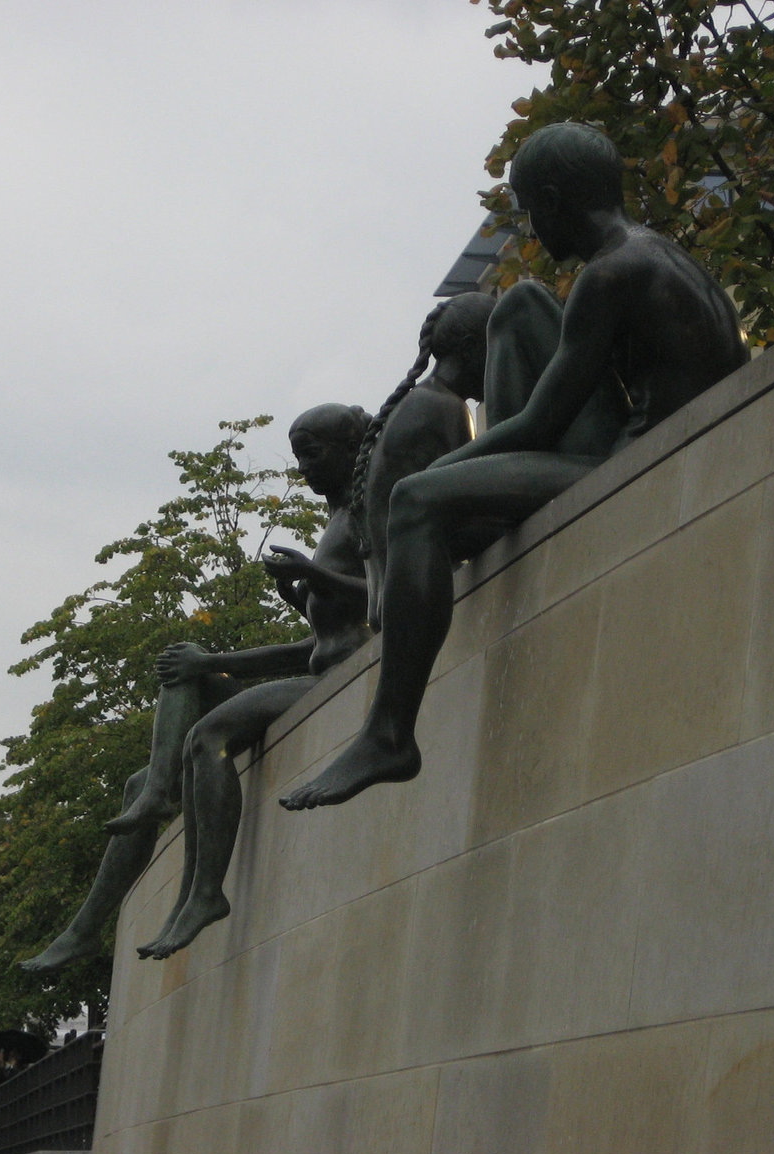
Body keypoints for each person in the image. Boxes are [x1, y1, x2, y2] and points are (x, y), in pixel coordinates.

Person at [281, 121, 747, 811]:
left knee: (417, 504)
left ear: (555, 199)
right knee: (522, 303)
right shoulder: (653, 253)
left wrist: (431, 483)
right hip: (640, 438)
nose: (532, 225)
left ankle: (389, 734)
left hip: (643, 460)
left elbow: (540, 426)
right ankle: (465, 522)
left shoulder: (610, 274)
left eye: (531, 208)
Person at [20, 403, 372, 967]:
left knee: (207, 736)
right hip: (318, 668)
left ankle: (206, 893)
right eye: (297, 456)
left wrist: (311, 576)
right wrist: (213, 662)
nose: (303, 468)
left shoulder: (367, 513)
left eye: (313, 454)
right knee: (181, 676)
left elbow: (389, 597)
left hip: (347, 680)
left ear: (351, 450)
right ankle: (88, 923)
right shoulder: (334, 522)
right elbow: (309, 644)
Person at [350, 291, 495, 631]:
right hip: (415, 595)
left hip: (394, 600)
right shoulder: (443, 407)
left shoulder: (423, 401)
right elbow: (476, 499)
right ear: (474, 348)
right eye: (499, 347)